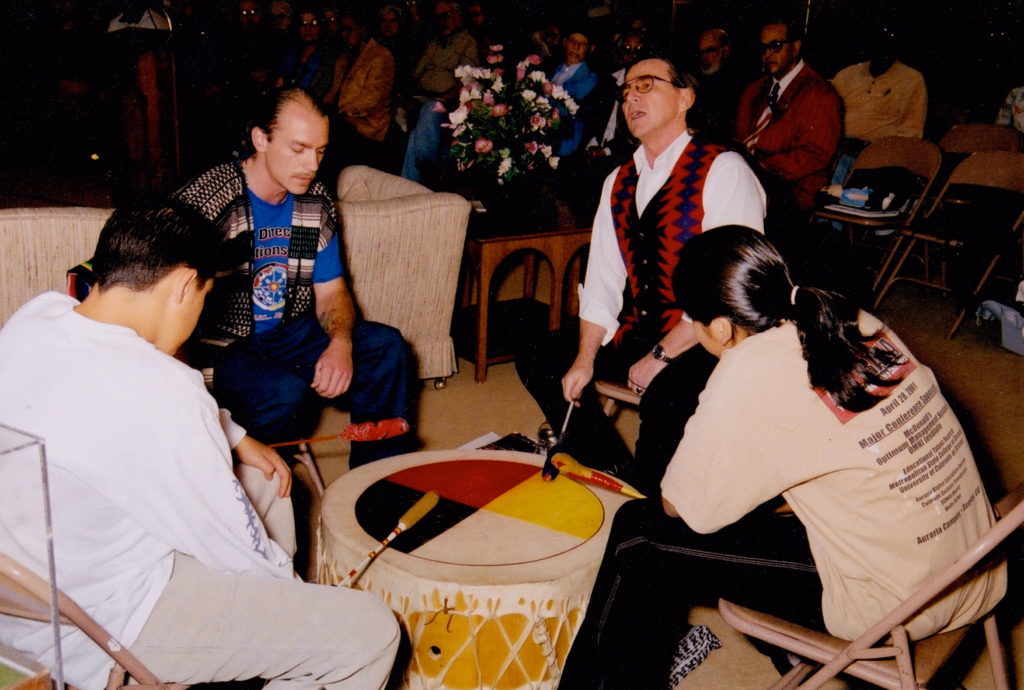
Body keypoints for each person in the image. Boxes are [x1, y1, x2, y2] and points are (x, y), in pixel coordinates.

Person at [559, 225, 1007, 689]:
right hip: (974, 564)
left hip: (899, 601)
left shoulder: (747, 370)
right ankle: (787, 657)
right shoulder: (853, 319)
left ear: (717, 327)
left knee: (639, 535)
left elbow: (680, 508)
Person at [0, 200, 400, 689]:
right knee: (368, 632)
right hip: (105, 625)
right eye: (203, 298)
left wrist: (233, 434)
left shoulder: (38, 316)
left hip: (24, 597)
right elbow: (237, 550)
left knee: (264, 481)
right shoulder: (163, 389)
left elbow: (86, 416)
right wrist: (300, 601)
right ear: (185, 285)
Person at [516, 57, 766, 497]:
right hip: (642, 328)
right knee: (540, 354)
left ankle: (644, 491)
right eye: (626, 90)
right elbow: (604, 280)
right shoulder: (618, 179)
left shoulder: (724, 170)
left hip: (708, 338)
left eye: (646, 85)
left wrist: (661, 356)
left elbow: (730, 292)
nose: (631, 96)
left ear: (685, 97)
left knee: (666, 415)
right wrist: (585, 356)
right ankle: (610, 468)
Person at [174, 87, 416, 467]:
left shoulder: (313, 203)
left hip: (288, 332)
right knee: (283, 390)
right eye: (298, 149)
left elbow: (332, 290)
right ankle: (236, 483)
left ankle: (375, 482)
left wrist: (340, 342)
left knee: (387, 347)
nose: (312, 164)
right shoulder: (211, 200)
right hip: (222, 344)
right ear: (260, 139)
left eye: (320, 151)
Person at [734, 17, 841, 214]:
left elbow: (814, 156)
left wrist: (760, 167)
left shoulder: (819, 93)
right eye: (763, 48)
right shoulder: (754, 89)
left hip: (792, 189)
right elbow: (740, 138)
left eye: (776, 46)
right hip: (750, 176)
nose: (768, 54)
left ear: (796, 47)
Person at [400, 0, 479, 183]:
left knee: (427, 113)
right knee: (414, 129)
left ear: (457, 16)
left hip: (446, 103)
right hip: (422, 97)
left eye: (445, 16)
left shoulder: (468, 43)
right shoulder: (434, 43)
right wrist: (408, 96)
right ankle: (414, 182)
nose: (442, 22)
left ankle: (416, 179)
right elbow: (415, 74)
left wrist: (443, 98)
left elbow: (466, 84)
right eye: (438, 18)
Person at [322, 7, 396, 174]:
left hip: (367, 126)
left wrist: (338, 113)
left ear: (362, 30)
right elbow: (333, 92)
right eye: (342, 30)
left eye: (349, 30)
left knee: (333, 132)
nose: (345, 35)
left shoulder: (381, 56)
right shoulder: (343, 59)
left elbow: (372, 99)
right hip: (343, 120)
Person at [547, 31, 599, 157]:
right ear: (565, 43)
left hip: (565, 143)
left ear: (590, 49)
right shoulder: (553, 69)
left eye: (582, 44)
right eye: (573, 41)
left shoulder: (590, 77)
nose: (576, 47)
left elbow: (567, 103)